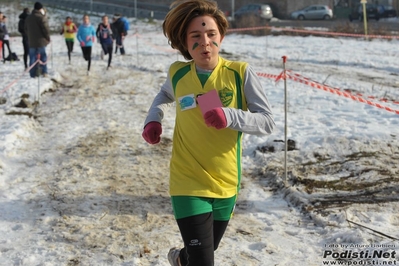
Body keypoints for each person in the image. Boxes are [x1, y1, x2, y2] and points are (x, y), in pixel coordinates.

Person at [141, 1, 275, 265]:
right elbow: (164, 95)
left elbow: (267, 122)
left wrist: (229, 116)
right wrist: (153, 119)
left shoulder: (240, 74)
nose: (205, 42)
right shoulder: (177, 73)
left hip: (226, 183)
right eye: (196, 36)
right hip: (187, 180)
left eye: (211, 34)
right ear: (185, 41)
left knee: (200, 254)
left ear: (221, 37)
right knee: (204, 261)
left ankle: (180, 259)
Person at [25, 2, 50, 78]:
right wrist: (47, 37)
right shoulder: (41, 17)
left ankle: (32, 74)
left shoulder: (28, 18)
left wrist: (29, 36)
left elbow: (25, 29)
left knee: (32, 57)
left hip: (31, 41)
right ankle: (44, 71)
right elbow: (45, 29)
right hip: (41, 41)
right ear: (40, 9)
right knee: (43, 56)